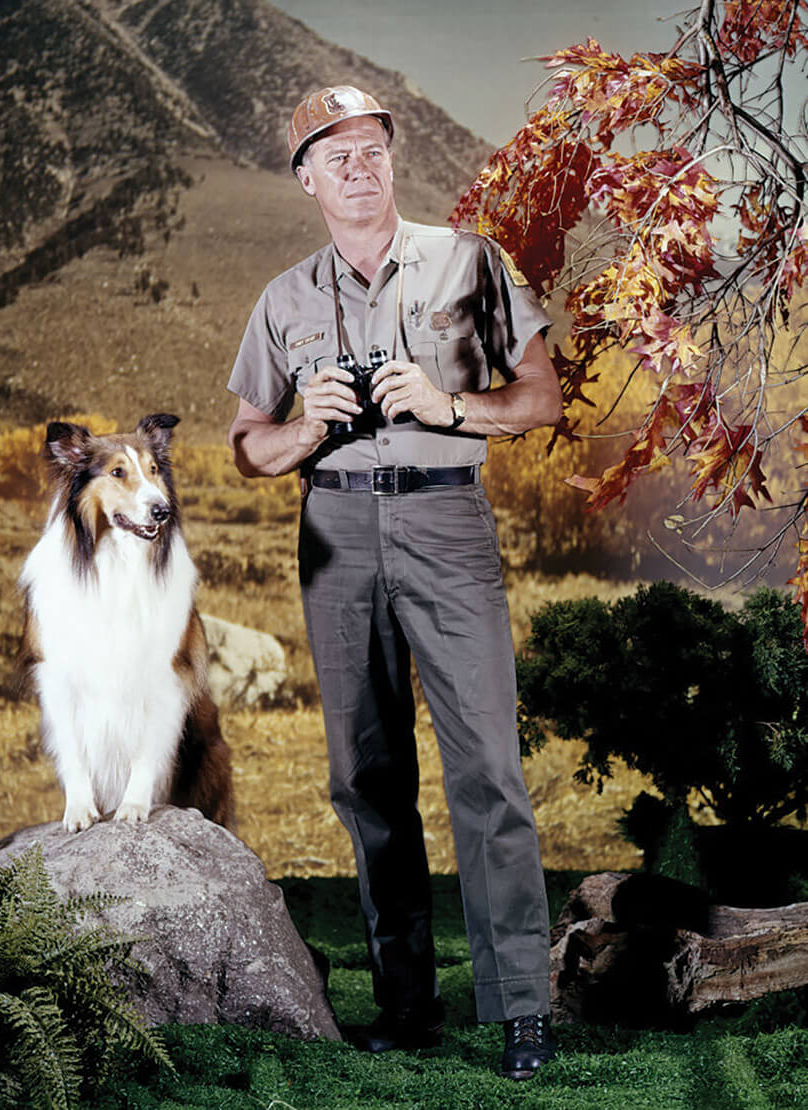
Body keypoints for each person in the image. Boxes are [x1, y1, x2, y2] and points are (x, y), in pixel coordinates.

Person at [227, 85, 563, 1081]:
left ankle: (522, 1011)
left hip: (445, 518)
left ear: (390, 159)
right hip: (332, 526)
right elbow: (247, 445)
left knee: (487, 770)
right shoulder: (283, 299)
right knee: (364, 774)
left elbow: (539, 397)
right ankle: (405, 1004)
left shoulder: (470, 262)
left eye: (373, 148)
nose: (361, 167)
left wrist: (447, 406)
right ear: (307, 179)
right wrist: (301, 428)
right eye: (338, 156)